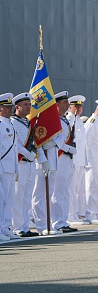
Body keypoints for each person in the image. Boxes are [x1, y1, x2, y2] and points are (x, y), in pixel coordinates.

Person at [10, 93, 46, 237]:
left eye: (29, 104)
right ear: (17, 107)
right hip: (20, 163)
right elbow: (15, 144)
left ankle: (24, 226)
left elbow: (35, 142)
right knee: (18, 196)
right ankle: (17, 227)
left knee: (26, 196)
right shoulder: (12, 122)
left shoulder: (28, 122)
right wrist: (26, 153)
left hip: (30, 163)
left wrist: (42, 160)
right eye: (25, 105)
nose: (28, 107)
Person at [49, 91, 78, 233]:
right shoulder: (55, 120)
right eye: (65, 102)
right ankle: (56, 222)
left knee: (66, 192)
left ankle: (63, 221)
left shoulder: (65, 119)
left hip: (67, 160)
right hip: (59, 158)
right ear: (57, 104)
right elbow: (54, 141)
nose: (68, 105)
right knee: (58, 192)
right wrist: (69, 148)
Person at [66, 95, 89, 226]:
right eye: (76, 106)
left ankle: (75, 213)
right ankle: (70, 215)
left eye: (80, 106)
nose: (79, 109)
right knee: (72, 189)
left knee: (78, 189)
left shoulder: (78, 120)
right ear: (70, 107)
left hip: (80, 160)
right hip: (73, 160)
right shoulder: (70, 119)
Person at [0, 93, 20, 240]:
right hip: (1, 168)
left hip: (10, 168)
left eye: (10, 107)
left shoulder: (10, 125)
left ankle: (5, 227)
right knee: (1, 200)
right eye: (6, 107)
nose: (9, 110)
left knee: (9, 199)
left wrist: (16, 169)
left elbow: (13, 150)